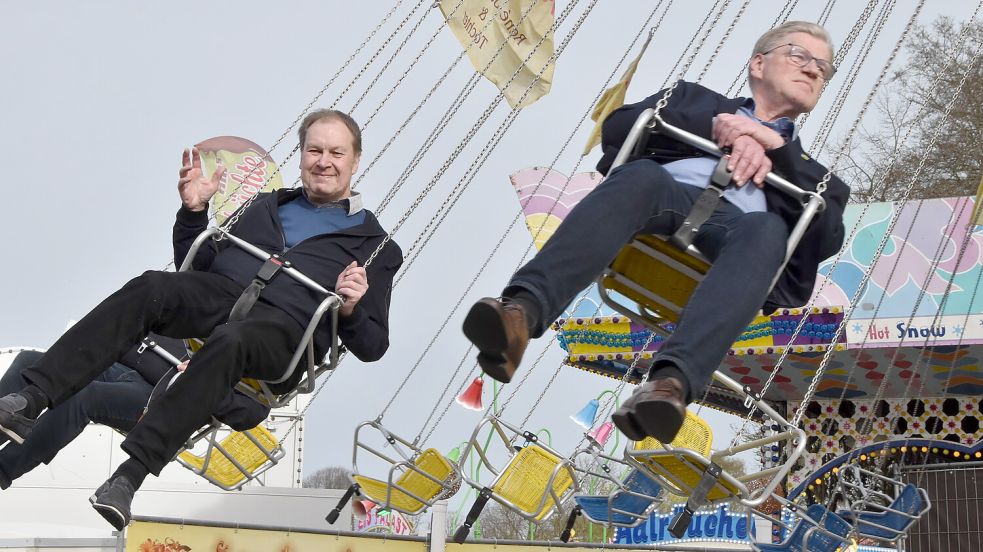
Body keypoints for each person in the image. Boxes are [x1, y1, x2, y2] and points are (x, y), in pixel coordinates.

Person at [0, 109, 402, 530]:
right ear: (300, 155)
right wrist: (194, 214)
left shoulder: (375, 246)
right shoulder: (264, 205)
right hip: (222, 294)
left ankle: (128, 476)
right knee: (153, 286)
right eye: (314, 150)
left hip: (280, 331)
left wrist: (353, 307)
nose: (324, 161)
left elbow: (373, 346)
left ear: (355, 162)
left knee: (234, 339)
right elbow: (196, 270)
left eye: (336, 152)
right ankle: (30, 398)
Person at [462, 22, 849, 444]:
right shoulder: (692, 100)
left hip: (739, 232)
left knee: (769, 229)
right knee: (642, 175)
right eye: (799, 56)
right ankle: (521, 313)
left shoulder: (818, 176)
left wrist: (775, 147)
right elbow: (617, 128)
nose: (813, 71)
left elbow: (826, 236)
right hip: (666, 195)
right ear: (759, 63)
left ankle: (669, 385)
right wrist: (725, 129)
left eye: (824, 68)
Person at [0, 336, 269, 489]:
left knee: (85, 396)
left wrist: (201, 380)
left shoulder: (260, 342)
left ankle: (4, 469)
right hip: (118, 363)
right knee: (30, 363)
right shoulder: (208, 296)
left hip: (157, 394)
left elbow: (252, 410)